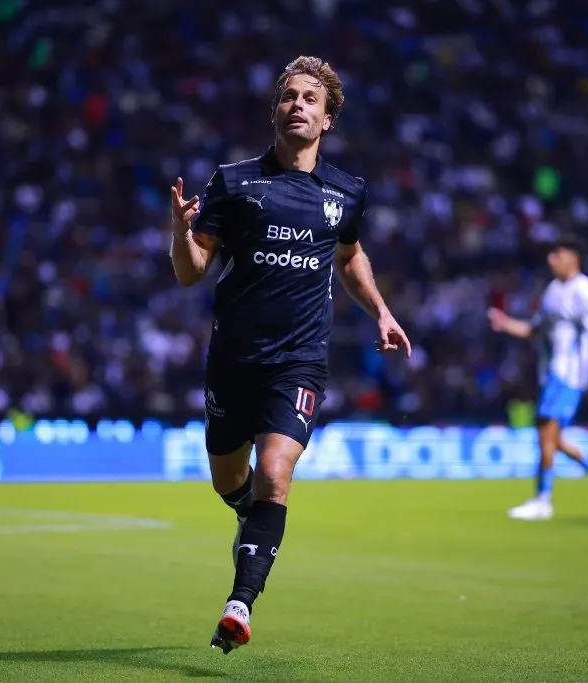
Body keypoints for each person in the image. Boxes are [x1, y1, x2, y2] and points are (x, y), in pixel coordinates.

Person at [169, 56, 411, 653]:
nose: (297, 105)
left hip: (298, 362)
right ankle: (248, 518)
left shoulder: (345, 192)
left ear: (326, 120)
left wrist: (380, 309)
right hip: (233, 360)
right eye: (289, 97)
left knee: (275, 477)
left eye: (309, 99)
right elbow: (191, 273)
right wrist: (179, 231)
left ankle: (239, 605)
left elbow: (349, 256)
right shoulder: (233, 182)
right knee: (232, 481)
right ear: (274, 110)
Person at [487, 235, 588, 521]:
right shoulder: (552, 291)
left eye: (557, 255)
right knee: (552, 439)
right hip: (551, 374)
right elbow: (534, 330)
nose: (551, 260)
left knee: (545, 435)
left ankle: (543, 499)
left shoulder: (585, 291)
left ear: (573, 259)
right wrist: (505, 323)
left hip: (568, 375)